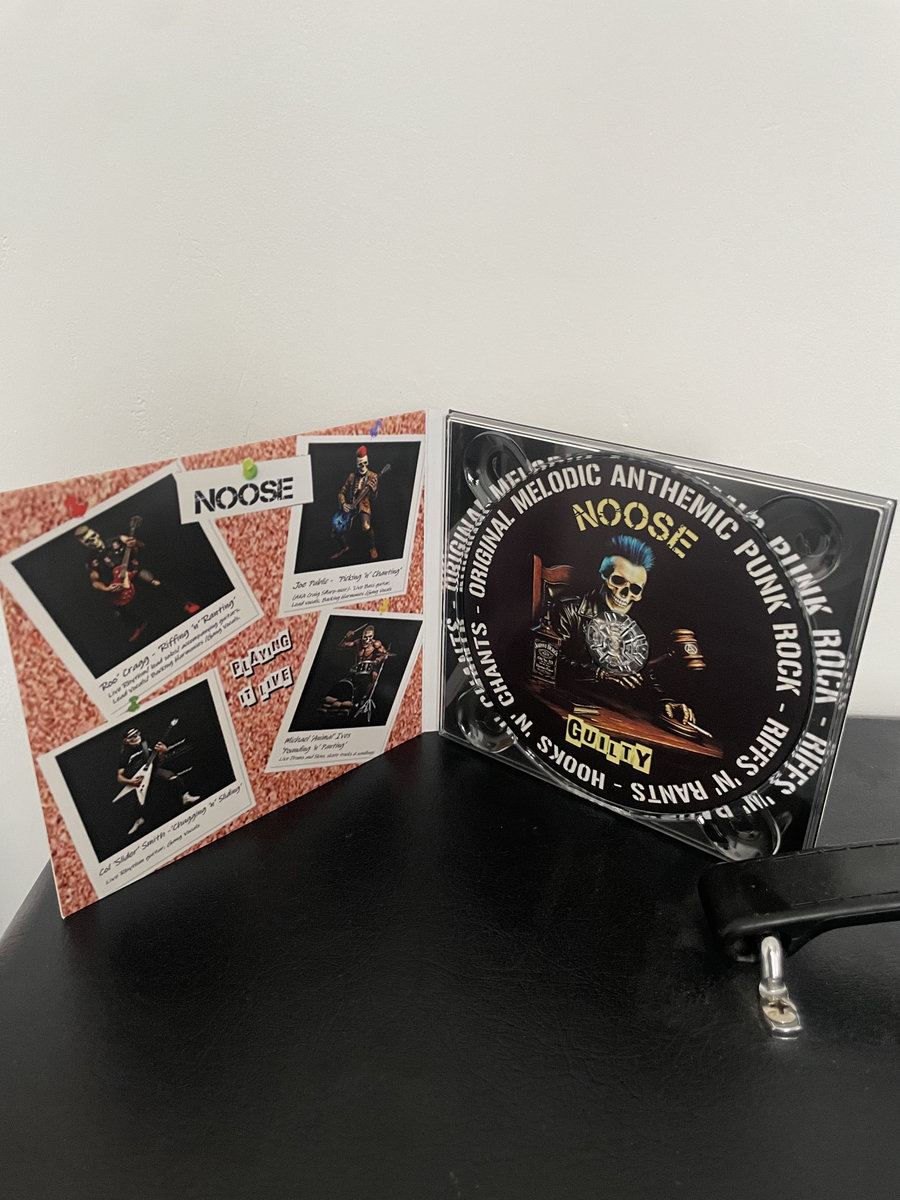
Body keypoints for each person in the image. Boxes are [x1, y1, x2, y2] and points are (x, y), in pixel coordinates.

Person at [549, 534, 699, 729]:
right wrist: (601, 674)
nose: (625, 594)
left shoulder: (632, 630)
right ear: (603, 576)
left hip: (611, 716)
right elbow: (550, 662)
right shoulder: (568, 610)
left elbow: (644, 677)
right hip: (563, 708)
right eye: (618, 581)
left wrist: (665, 702)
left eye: (635, 589)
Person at [75, 518, 199, 644]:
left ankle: (185, 603)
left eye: (92, 537)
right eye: (87, 541)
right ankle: (139, 625)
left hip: (134, 571)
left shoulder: (117, 540)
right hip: (119, 581)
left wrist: (135, 543)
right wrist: (106, 588)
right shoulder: (91, 561)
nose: (92, 541)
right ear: (84, 544)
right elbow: (95, 582)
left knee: (155, 583)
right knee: (117, 610)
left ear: (96, 534)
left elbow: (142, 545)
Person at [117, 726, 200, 837]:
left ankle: (185, 796)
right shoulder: (125, 755)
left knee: (172, 776)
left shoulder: (147, 744)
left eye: (137, 733)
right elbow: (119, 777)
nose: (136, 737)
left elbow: (160, 761)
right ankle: (139, 819)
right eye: (132, 736)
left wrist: (163, 752)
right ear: (126, 741)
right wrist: (130, 781)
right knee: (138, 798)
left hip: (152, 771)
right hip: (137, 778)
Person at [319, 623, 392, 720]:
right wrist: (346, 637)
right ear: (362, 636)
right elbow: (340, 646)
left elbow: (385, 654)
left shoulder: (376, 644)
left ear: (373, 636)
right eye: (365, 637)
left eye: (370, 637)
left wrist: (378, 660)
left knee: (374, 675)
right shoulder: (358, 643)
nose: (367, 640)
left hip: (369, 667)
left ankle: (365, 699)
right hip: (356, 668)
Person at [330, 446, 380, 561]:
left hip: (363, 507)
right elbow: (341, 493)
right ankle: (344, 547)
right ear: (357, 464)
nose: (363, 466)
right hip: (350, 506)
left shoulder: (373, 476)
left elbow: (374, 498)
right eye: (360, 464)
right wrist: (343, 504)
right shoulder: (352, 477)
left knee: (366, 526)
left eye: (365, 463)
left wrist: (374, 490)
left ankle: (372, 548)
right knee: (336, 527)